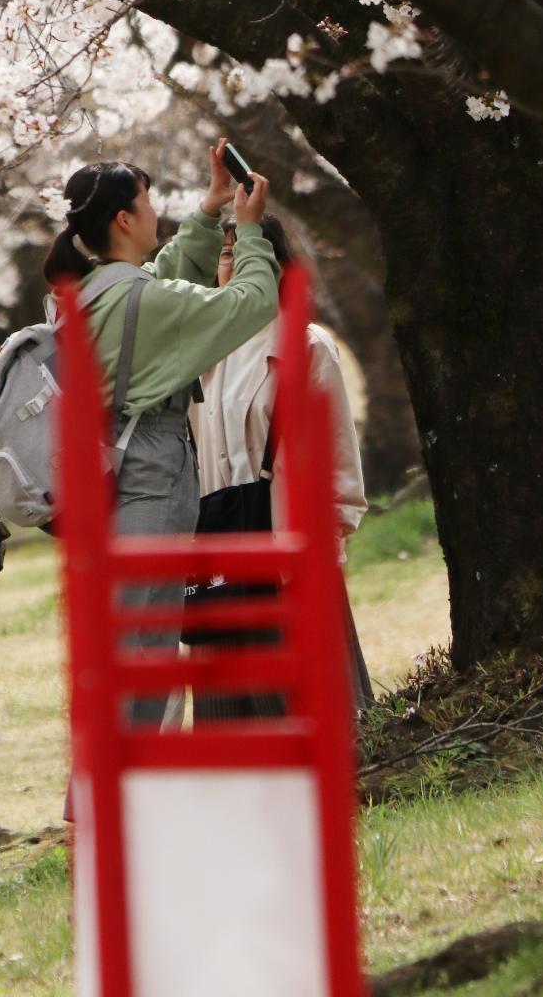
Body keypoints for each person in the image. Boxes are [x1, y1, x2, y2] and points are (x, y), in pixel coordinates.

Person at [44, 141, 279, 725]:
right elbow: (252, 302)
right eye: (148, 202)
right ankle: (118, 799)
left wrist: (208, 213)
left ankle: (106, 798)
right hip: (148, 470)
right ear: (124, 218)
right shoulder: (138, 297)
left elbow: (154, 288)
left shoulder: (91, 291)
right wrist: (248, 232)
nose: (156, 212)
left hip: (108, 469)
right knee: (142, 642)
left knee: (125, 638)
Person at [190, 216, 373, 718]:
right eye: (222, 254)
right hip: (218, 552)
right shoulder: (202, 349)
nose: (227, 263)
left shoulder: (307, 346)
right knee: (226, 711)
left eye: (239, 251)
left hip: (288, 547)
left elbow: (337, 457)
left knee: (309, 705)